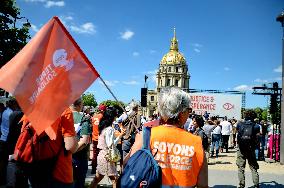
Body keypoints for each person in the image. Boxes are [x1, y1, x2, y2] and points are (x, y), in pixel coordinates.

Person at [127, 87, 208, 187]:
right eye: (189, 110)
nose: (189, 114)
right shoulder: (196, 142)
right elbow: (203, 184)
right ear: (181, 113)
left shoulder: (145, 136)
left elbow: (127, 166)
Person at [90, 107, 125, 188]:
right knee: (114, 179)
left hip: (102, 155)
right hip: (107, 156)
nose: (116, 117)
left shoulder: (103, 127)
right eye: (115, 116)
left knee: (98, 178)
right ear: (112, 117)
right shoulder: (109, 129)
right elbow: (110, 145)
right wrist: (120, 136)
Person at [71, 98, 92, 188]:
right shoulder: (84, 118)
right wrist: (70, 152)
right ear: (79, 105)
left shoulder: (60, 117)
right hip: (78, 158)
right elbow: (84, 141)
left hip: (62, 158)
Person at [236, 110, 260, 188]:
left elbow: (237, 134)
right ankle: (256, 184)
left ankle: (241, 185)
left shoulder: (239, 124)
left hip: (241, 148)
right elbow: (258, 138)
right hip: (251, 149)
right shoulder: (256, 126)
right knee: (253, 167)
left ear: (245, 116)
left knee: (241, 167)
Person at [0, 100, 13, 186]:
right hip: (5, 140)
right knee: (4, 161)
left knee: (3, 162)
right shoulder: (9, 112)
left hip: (4, 140)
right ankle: (4, 180)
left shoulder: (7, 113)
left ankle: (3, 180)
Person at [91, 104, 106, 174]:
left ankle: (93, 169)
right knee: (102, 155)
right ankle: (101, 170)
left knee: (94, 154)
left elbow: (91, 126)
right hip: (101, 139)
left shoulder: (93, 117)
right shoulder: (103, 117)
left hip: (94, 138)